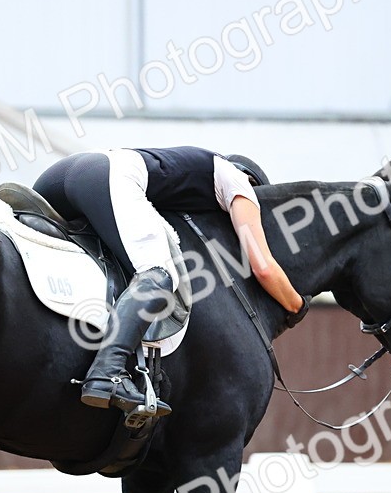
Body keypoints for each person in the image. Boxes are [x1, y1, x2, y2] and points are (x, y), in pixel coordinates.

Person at [34, 146, 310, 416]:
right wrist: (296, 305)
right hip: (108, 176)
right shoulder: (240, 183)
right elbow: (262, 266)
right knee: (158, 273)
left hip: (58, 176)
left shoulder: (188, 176)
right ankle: (109, 372)